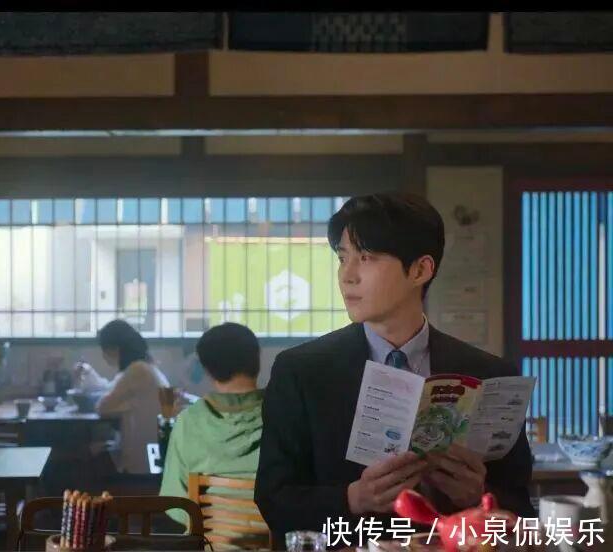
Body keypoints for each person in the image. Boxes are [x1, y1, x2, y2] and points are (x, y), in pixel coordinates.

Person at [254, 192, 534, 545]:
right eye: (343, 258)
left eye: (366, 258)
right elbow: (274, 499)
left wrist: (479, 496)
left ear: (420, 270)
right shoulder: (301, 371)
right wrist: (352, 499)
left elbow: (522, 508)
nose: (347, 276)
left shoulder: (489, 375)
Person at [159, 323, 265, 539]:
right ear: (258, 360)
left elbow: (176, 506)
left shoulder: (189, 421)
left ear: (207, 370)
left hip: (210, 544)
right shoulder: (286, 414)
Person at [76, 319, 170, 474]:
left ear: (115, 348)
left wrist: (123, 405)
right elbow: (111, 389)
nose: (103, 355)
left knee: (81, 455)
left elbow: (102, 407)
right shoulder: (146, 367)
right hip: (155, 451)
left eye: (104, 349)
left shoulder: (137, 370)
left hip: (142, 459)